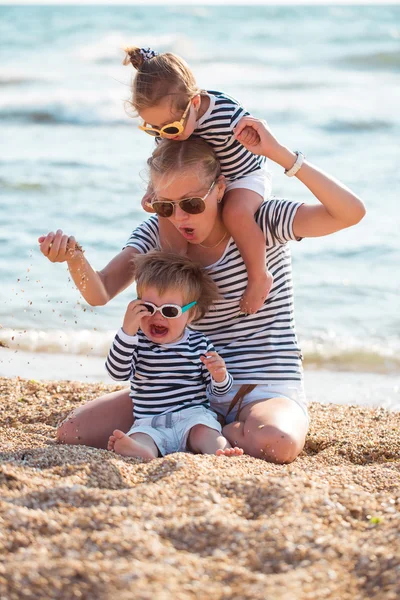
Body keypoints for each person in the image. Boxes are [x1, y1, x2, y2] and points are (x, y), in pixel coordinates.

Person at [39, 116, 366, 463]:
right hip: (182, 390)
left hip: (264, 385)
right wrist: (74, 258)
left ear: (221, 188)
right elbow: (101, 291)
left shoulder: (261, 221)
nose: (180, 217)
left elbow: (350, 213)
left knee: (278, 443)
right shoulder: (156, 234)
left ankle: (206, 435)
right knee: (71, 433)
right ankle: (196, 435)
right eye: (167, 206)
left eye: (192, 204)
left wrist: (280, 154)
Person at [123, 45, 273, 314]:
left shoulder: (226, 114)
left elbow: (261, 135)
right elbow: (164, 159)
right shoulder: (168, 126)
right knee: (167, 219)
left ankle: (259, 275)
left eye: (170, 128)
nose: (164, 135)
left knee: (236, 213)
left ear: (194, 103)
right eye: (153, 129)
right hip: (203, 183)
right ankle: (176, 295)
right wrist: (152, 190)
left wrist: (255, 136)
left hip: (243, 176)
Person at [105, 250, 243, 459]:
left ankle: (219, 451)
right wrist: (127, 331)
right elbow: (117, 372)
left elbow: (219, 393)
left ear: (191, 313)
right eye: (149, 308)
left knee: (206, 431)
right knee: (141, 436)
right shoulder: (136, 341)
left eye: (170, 311)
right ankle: (143, 452)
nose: (158, 317)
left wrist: (220, 376)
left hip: (192, 417)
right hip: (150, 421)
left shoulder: (199, 344)